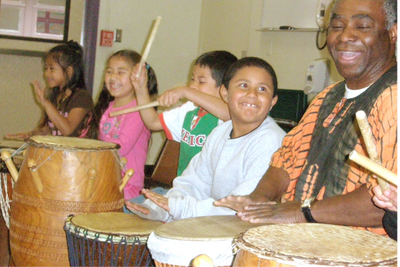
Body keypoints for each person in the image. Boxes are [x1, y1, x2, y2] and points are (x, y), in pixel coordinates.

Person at [215, 0, 398, 236]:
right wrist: (258, 201)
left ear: (394, 32)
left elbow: (387, 202)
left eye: (362, 26)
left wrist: (303, 212)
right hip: (307, 241)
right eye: (337, 26)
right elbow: (285, 162)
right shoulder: (326, 98)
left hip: (363, 255)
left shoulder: (395, 96)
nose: (344, 36)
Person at [126, 57, 286, 222]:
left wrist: (179, 207)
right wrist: (161, 209)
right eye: (244, 86)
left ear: (273, 101)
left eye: (262, 89)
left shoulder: (271, 141)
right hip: (215, 224)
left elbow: (241, 207)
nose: (252, 94)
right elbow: (193, 183)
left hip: (246, 234)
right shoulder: (220, 133)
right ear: (225, 93)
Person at [133, 51, 237, 176]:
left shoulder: (229, 113)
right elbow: (153, 122)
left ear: (224, 88)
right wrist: (140, 90)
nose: (192, 85)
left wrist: (185, 91)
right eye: (192, 79)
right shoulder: (189, 109)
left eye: (201, 81)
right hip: (185, 188)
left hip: (212, 193)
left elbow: (230, 114)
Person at [88, 50, 158, 199]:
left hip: (127, 187)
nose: (113, 77)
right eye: (109, 71)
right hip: (106, 179)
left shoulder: (139, 111)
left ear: (136, 77)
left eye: (121, 72)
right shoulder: (108, 107)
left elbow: (120, 148)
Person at [6, 41, 93, 139]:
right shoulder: (56, 96)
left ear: (69, 71)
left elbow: (67, 129)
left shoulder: (82, 97)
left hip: (77, 153)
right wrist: (30, 134)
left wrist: (46, 103)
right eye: (46, 68)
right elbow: (45, 130)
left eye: (52, 69)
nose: (47, 74)